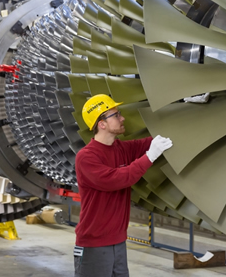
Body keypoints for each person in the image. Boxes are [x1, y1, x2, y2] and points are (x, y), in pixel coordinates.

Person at [74, 94, 173, 277]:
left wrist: (187, 107)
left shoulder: (120, 149)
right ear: (101, 124)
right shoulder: (86, 157)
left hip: (118, 241)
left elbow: (151, 142)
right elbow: (116, 179)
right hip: (94, 243)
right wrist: (149, 157)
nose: (122, 118)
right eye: (116, 115)